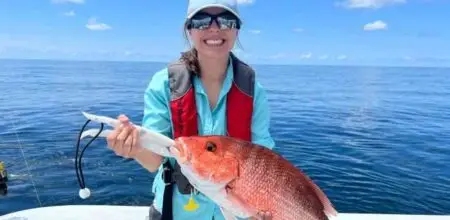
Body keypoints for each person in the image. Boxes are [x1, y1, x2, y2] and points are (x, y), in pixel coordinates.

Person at [106, 0, 275, 219]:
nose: (214, 28)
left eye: (226, 20)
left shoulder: (254, 92)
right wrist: (133, 147)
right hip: (176, 212)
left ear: (236, 29)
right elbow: (153, 161)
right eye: (202, 21)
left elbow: (264, 162)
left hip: (239, 211)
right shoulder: (164, 84)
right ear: (189, 29)